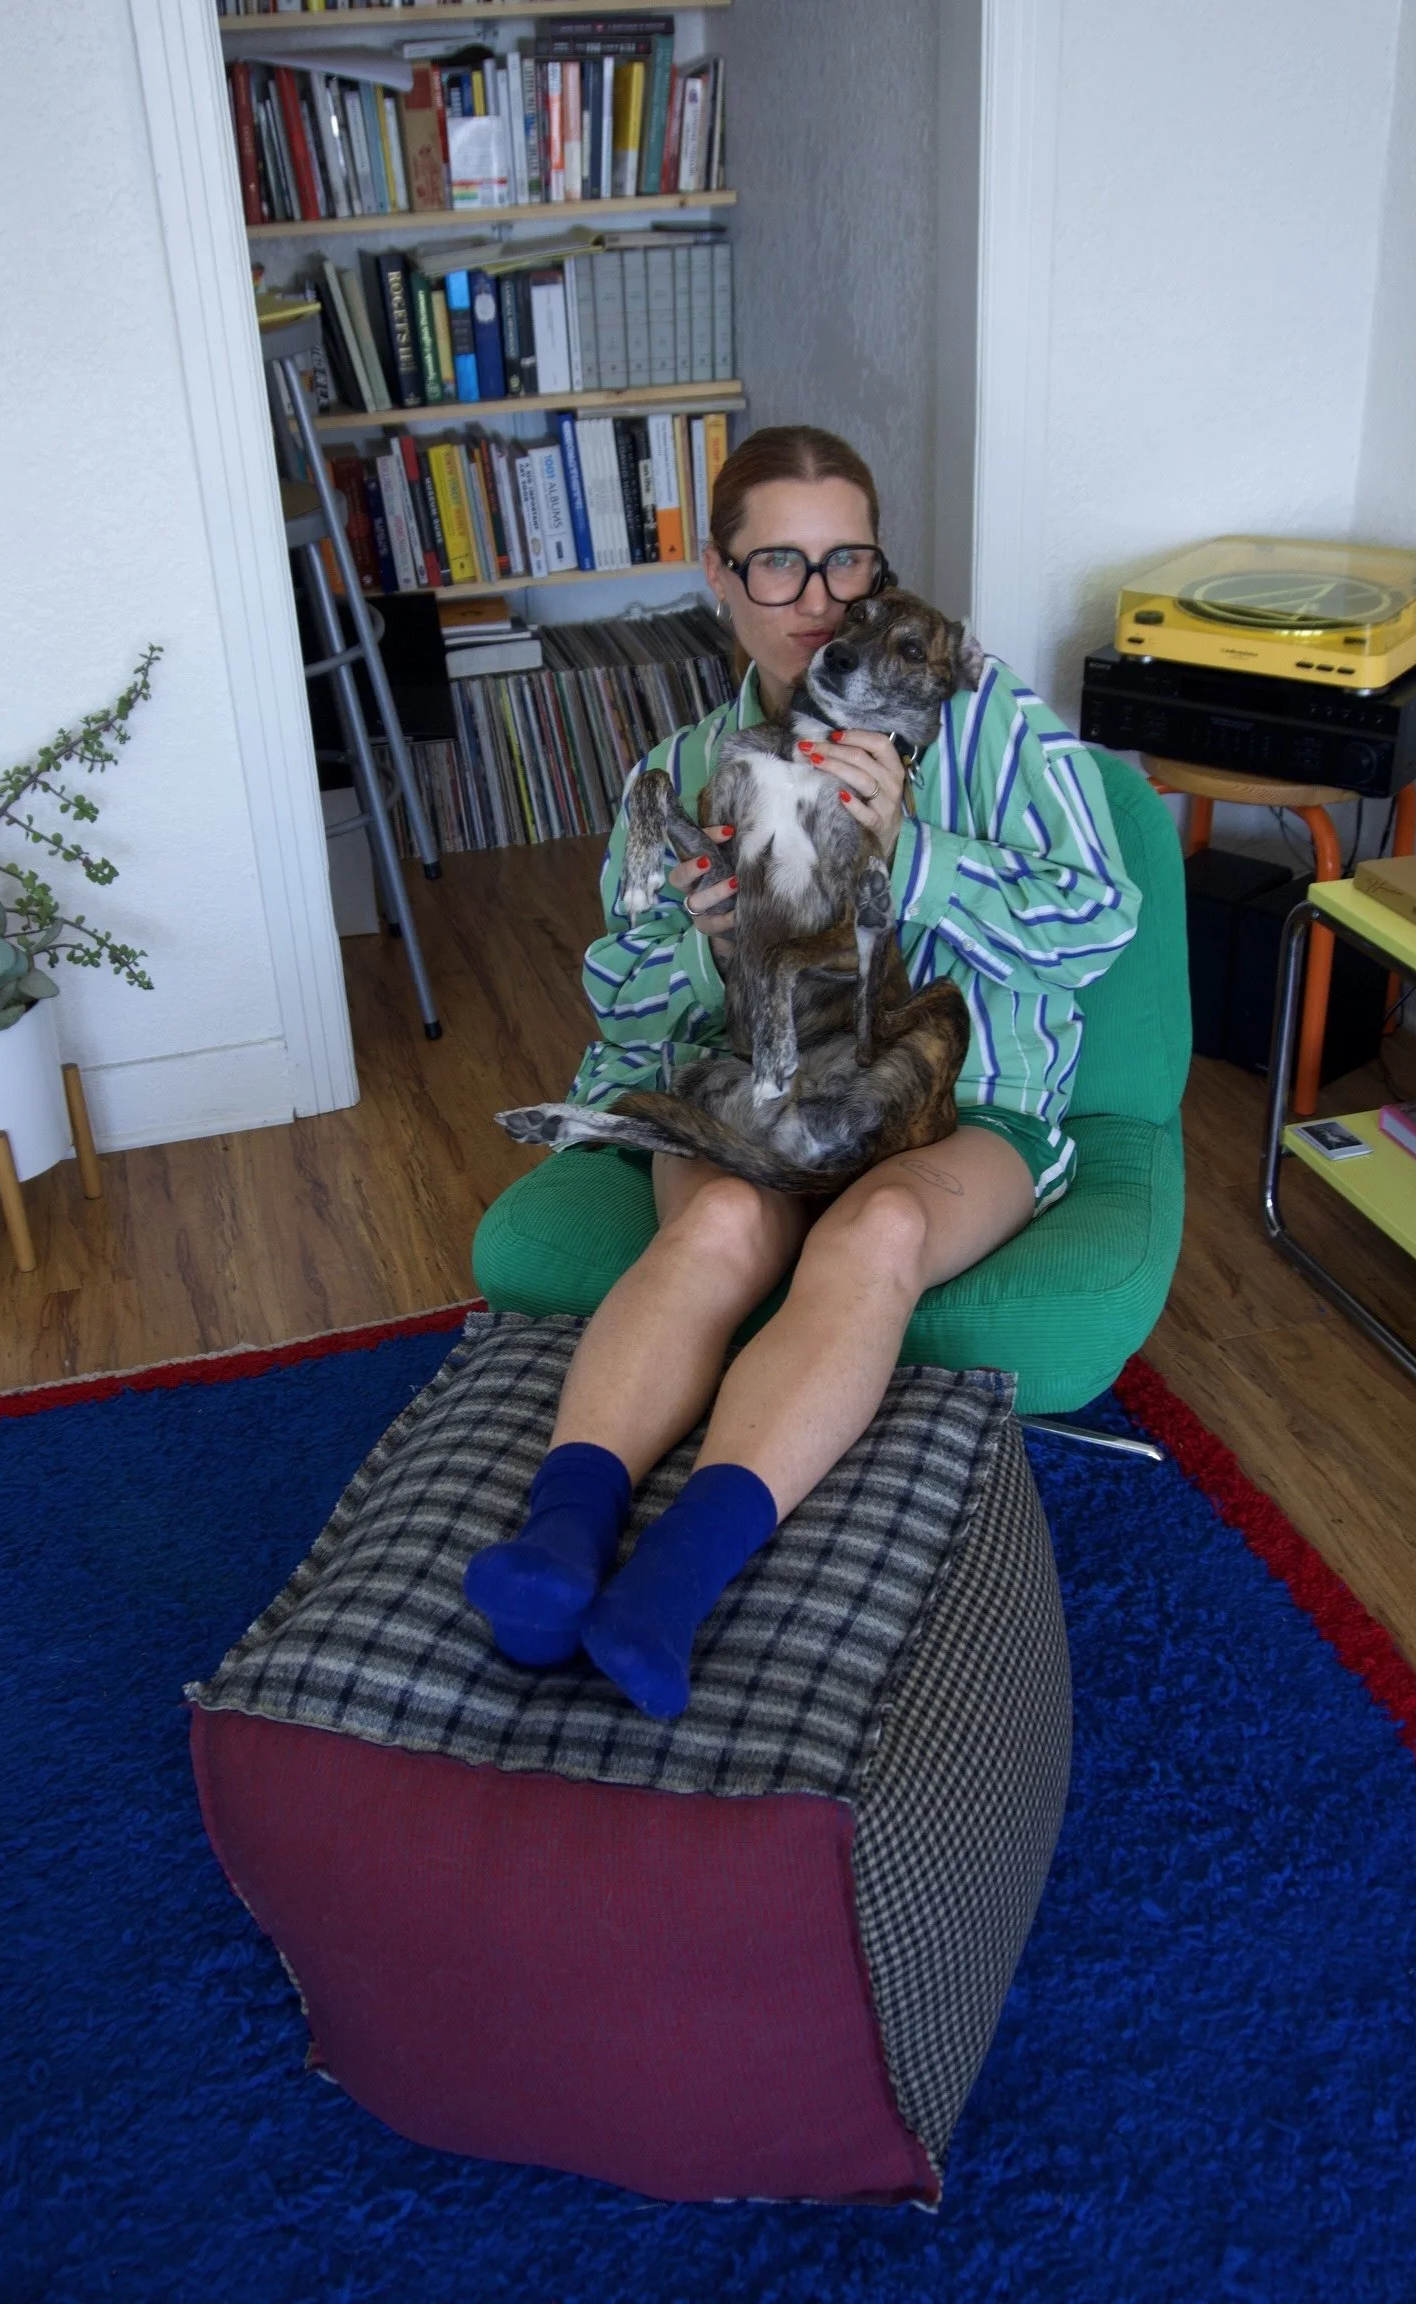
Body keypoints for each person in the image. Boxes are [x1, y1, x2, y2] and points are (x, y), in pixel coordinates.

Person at [465, 424, 1141, 1718]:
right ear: (718, 576)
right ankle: (556, 1547)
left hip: (966, 1099)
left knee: (879, 1229)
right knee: (721, 1218)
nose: (819, 600)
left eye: (848, 562)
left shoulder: (988, 720)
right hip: (758, 1096)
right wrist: (710, 950)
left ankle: (671, 1583)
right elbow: (628, 1004)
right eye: (778, 563)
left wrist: (920, 851)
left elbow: (1098, 921)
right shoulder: (675, 772)